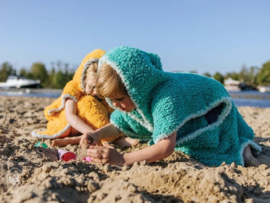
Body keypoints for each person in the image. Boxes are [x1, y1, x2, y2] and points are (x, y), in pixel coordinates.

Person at [80, 46, 261, 167]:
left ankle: (242, 149)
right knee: (166, 130)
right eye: (111, 100)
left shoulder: (166, 98)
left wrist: (122, 158)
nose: (115, 105)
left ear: (137, 89)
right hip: (188, 104)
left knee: (202, 143)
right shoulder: (136, 100)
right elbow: (120, 124)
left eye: (118, 98)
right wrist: (97, 134)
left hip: (213, 105)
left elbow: (165, 148)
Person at [31, 49, 122, 147]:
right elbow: (70, 116)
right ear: (83, 79)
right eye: (91, 87)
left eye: (99, 88)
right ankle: (100, 138)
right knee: (87, 102)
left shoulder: (102, 95)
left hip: (88, 130)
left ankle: (78, 139)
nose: (95, 92)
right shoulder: (73, 87)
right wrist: (95, 135)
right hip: (72, 125)